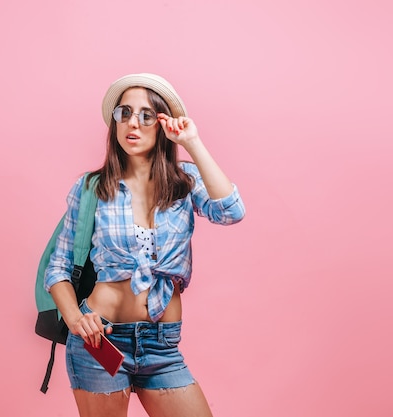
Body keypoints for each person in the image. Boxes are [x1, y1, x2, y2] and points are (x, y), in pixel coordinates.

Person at [44, 73, 245, 417]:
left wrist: (192, 142)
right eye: (124, 113)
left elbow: (231, 211)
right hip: (100, 341)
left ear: (162, 124)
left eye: (146, 115)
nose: (132, 123)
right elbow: (58, 267)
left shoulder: (185, 181)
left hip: (162, 346)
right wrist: (76, 319)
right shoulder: (91, 188)